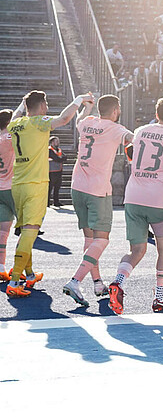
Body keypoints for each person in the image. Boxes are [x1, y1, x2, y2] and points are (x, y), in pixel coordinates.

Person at [6, 90, 94, 298]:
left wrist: (23, 104)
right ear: (43, 105)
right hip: (35, 183)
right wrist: (79, 100)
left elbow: (18, 114)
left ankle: (28, 274)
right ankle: (15, 279)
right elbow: (64, 119)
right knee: (30, 230)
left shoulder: (15, 123)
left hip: (17, 182)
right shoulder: (38, 122)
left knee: (24, 230)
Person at [108, 96, 163, 314]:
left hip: (134, 196)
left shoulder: (142, 130)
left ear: (156, 114)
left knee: (136, 250)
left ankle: (118, 281)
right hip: (159, 198)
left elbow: (130, 152)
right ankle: (159, 297)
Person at [63, 94, 134, 307]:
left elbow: (78, 120)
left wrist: (87, 108)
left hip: (77, 186)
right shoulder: (116, 128)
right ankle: (75, 280)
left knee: (90, 241)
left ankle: (97, 283)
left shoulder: (87, 122)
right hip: (97, 190)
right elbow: (133, 138)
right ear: (115, 110)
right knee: (101, 240)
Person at [0, 111, 14, 278]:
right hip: (12, 186)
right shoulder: (9, 137)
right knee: (27, 228)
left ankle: (1, 266)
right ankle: (25, 271)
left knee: (3, 232)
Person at [48, 136, 66, 207]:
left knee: (57, 187)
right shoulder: (49, 150)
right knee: (50, 188)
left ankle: (56, 202)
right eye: (56, 141)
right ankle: (47, 202)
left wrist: (60, 158)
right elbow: (56, 158)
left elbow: (65, 157)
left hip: (59, 171)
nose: (57, 142)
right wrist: (60, 158)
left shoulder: (59, 150)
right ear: (52, 142)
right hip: (51, 171)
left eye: (58, 141)